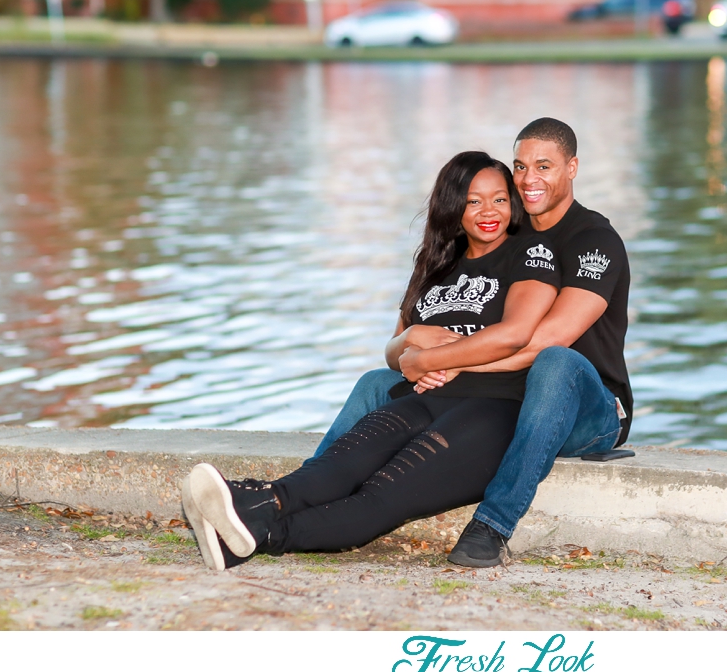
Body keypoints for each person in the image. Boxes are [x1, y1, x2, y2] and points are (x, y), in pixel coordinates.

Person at [180, 151, 561, 570]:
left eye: (500, 199)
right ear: (453, 207)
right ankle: (250, 504)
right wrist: (414, 340)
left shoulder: (532, 253)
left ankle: (261, 536)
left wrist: (433, 357)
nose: (489, 211)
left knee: (380, 499)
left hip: (493, 408)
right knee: (340, 466)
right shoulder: (436, 263)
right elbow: (396, 351)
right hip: (422, 399)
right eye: (474, 201)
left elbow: (515, 334)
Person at [313, 117, 632, 568]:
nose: (529, 179)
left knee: (557, 363)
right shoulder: (505, 236)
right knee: (374, 383)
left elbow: (548, 339)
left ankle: (492, 526)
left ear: (572, 168)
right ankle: (306, 492)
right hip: (507, 395)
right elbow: (406, 344)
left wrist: (448, 362)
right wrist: (415, 348)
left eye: (544, 166)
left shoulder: (593, 240)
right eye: (520, 167)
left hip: (589, 407)